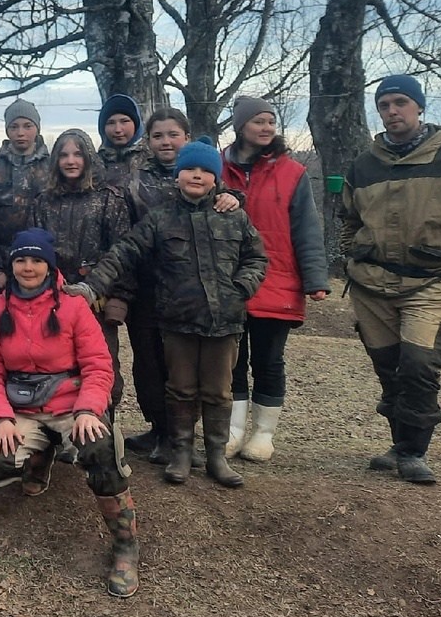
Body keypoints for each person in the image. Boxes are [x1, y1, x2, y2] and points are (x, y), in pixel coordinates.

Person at [75, 140, 267, 489]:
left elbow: (257, 258)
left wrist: (241, 289)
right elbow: (124, 252)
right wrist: (92, 287)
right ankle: (180, 453)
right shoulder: (160, 218)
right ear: (177, 176)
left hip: (223, 323)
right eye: (190, 169)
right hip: (177, 322)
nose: (197, 175)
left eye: (206, 171)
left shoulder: (234, 215)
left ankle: (216, 456)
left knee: (218, 392)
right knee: (179, 389)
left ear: (216, 178)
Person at [0, 228, 139, 598]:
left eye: (36, 260)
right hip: (22, 406)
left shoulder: (74, 305)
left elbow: (98, 365)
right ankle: (39, 454)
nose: (27, 268)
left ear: (49, 265)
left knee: (99, 451)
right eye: (20, 260)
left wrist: (89, 410)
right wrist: (0, 418)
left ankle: (125, 545)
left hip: (70, 403)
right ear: (11, 264)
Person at [340, 74, 441, 484]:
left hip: (434, 280)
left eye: (400, 102)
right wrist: (353, 256)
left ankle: (414, 452)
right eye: (384, 105)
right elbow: (349, 218)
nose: (391, 112)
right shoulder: (365, 163)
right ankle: (399, 445)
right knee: (389, 367)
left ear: (419, 107)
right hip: (372, 284)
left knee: (420, 364)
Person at [119, 108, 240, 462]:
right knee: (149, 363)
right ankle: (159, 429)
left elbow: (224, 204)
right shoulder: (135, 179)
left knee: (185, 369)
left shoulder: (198, 171)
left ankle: (182, 438)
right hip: (145, 286)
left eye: (173, 134)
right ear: (148, 141)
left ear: (186, 137)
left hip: (189, 290)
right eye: (158, 136)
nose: (166, 141)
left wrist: (235, 199)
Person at [221, 96, 330, 462]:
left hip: (277, 280)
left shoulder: (293, 172)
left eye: (271, 121)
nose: (267, 127)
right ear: (240, 126)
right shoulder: (216, 167)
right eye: (259, 121)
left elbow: (307, 230)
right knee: (231, 360)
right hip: (228, 283)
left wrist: (315, 278)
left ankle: (263, 434)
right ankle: (232, 430)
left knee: (269, 360)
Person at [31, 129, 133, 411]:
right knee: (57, 368)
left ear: (89, 157)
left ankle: (103, 432)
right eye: (63, 155)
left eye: (77, 154)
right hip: (54, 298)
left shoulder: (109, 198)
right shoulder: (43, 201)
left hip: (97, 299)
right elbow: (35, 252)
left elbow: (122, 251)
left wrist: (116, 296)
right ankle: (59, 434)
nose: (71, 160)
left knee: (102, 367)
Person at [0, 98, 50, 292]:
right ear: (7, 130)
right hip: (0, 264)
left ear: (37, 128)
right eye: (14, 126)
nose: (21, 133)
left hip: (40, 264)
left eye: (27, 126)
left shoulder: (53, 167)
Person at [97, 93, 148, 186]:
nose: (118, 129)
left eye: (124, 121)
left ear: (136, 124)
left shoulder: (151, 160)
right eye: (110, 123)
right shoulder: (95, 164)